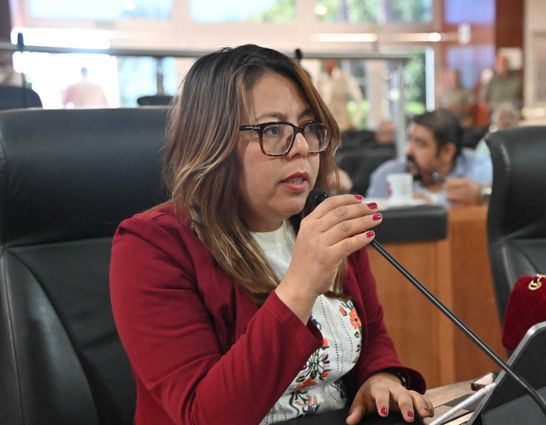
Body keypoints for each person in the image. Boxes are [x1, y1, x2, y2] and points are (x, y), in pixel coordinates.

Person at [110, 44, 432, 425]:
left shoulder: (323, 220)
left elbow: (373, 335)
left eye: (308, 128)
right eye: (273, 130)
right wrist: (299, 288)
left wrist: (380, 377)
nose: (301, 148)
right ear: (212, 142)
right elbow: (204, 416)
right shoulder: (151, 247)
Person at [366, 109, 492, 206]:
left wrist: (482, 193)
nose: (408, 151)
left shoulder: (479, 169)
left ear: (447, 152)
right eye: (409, 140)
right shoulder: (388, 174)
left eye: (420, 144)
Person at [315, 58, 363, 131]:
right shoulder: (319, 80)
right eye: (325, 60)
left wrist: (354, 122)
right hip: (325, 127)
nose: (327, 63)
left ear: (335, 61)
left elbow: (359, 99)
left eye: (329, 59)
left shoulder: (345, 79)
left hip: (343, 127)